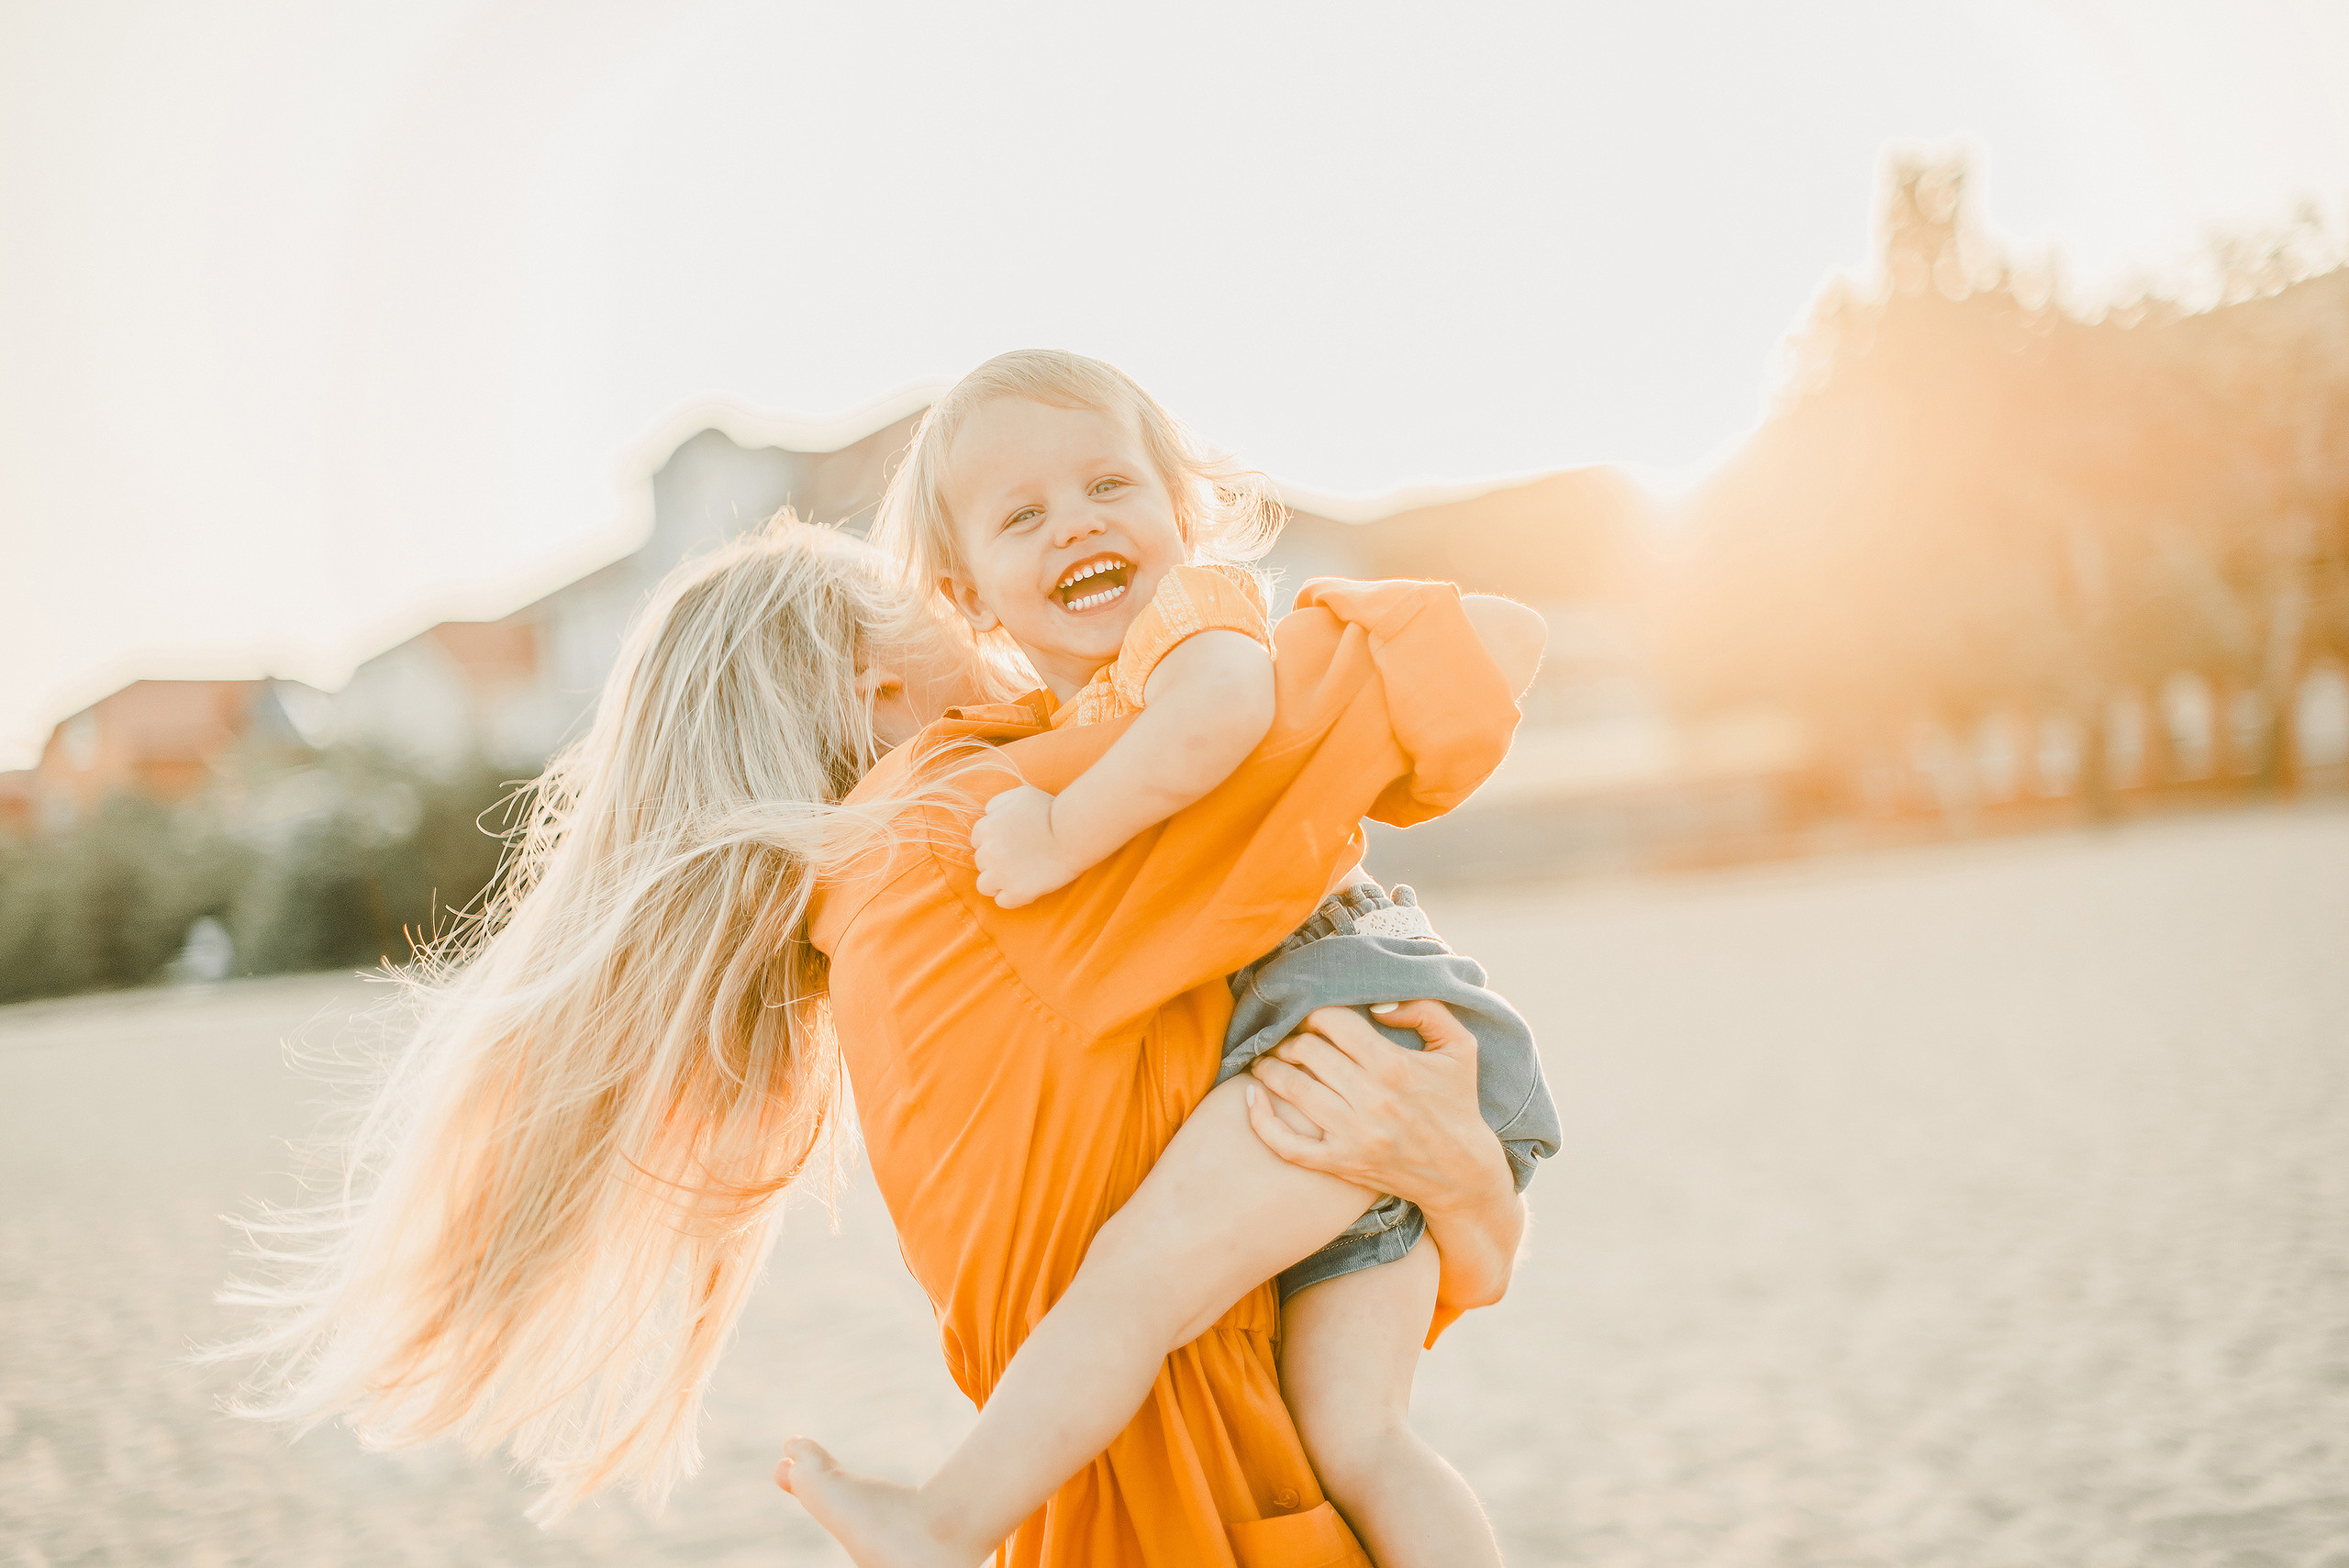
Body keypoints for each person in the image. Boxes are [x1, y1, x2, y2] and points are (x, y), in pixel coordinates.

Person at [210, 510, 1525, 1564]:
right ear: (882, 679)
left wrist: (1467, 1194)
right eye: (947, 607)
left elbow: (1294, 1224)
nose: (988, 626)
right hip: (1215, 1510)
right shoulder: (978, 832)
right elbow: (1434, 674)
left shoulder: (871, 925)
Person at [774, 350, 1559, 1568]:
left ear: (1181, 510)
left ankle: (942, 1521)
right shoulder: (1059, 734)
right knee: (1362, 1440)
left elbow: (1227, 711)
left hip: (1336, 1003)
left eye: (1108, 485)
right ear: (965, 591)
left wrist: (1058, 832)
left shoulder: (1190, 627)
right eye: (1023, 515)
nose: (1076, 524)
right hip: (1357, 1031)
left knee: (1133, 1284)